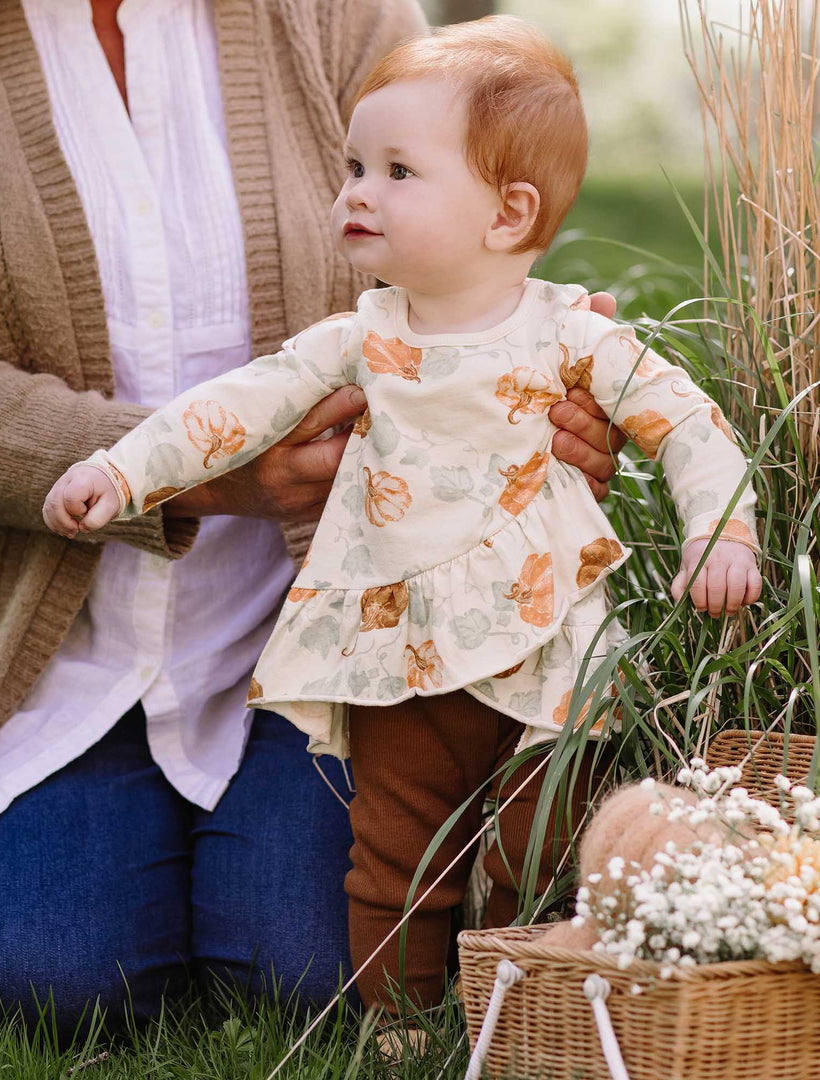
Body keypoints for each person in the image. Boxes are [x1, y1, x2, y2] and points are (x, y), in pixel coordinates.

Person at [0, 0, 622, 1038]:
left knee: (316, 975)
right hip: (53, 656)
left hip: (328, 640)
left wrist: (556, 404)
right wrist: (205, 480)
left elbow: (477, 237)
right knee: (49, 982)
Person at [43, 15, 762, 1016]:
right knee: (395, 856)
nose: (355, 191)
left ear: (507, 215)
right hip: (401, 654)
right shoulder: (360, 338)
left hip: (545, 653)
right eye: (353, 165)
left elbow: (689, 423)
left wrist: (718, 531)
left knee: (532, 849)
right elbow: (231, 410)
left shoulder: (572, 337)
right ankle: (404, 1029)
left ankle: (516, 1013)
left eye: (396, 171)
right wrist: (124, 474)